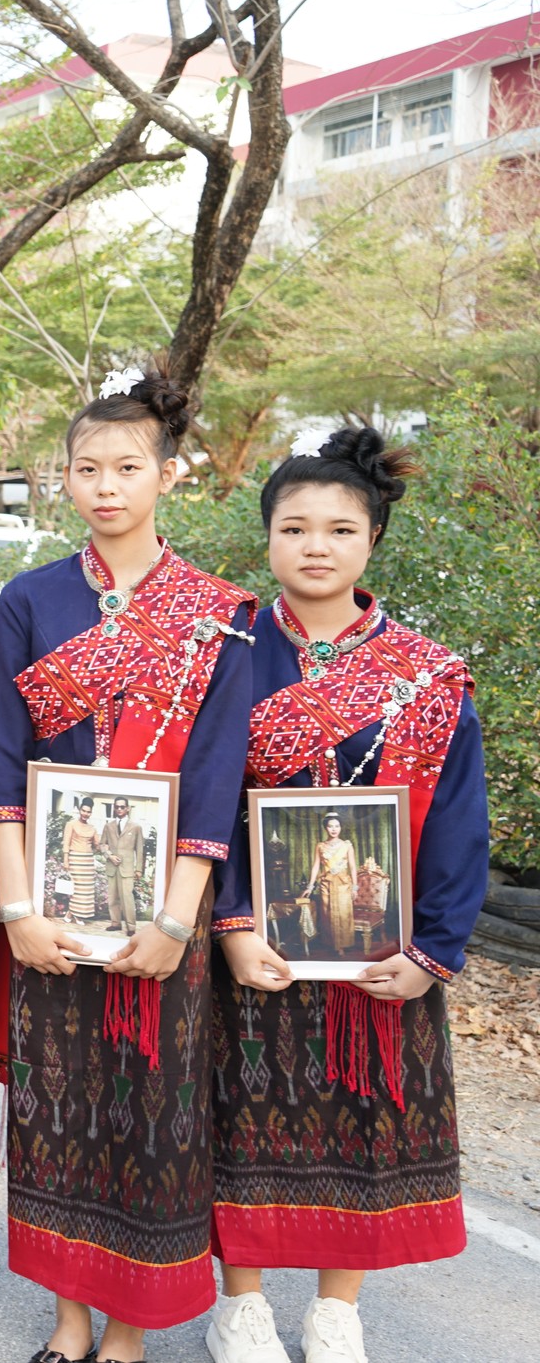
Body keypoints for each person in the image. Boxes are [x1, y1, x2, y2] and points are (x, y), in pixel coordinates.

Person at [0, 369, 255, 1363]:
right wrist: (15, 907)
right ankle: (66, 1321)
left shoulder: (219, 615)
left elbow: (216, 777)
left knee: (148, 1116)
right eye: (87, 468)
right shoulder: (29, 600)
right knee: (55, 1110)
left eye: (127, 467)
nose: (106, 486)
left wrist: (175, 921)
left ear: (167, 474)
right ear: (64, 478)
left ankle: (127, 1331)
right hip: (47, 907)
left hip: (162, 913)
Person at [204, 428, 487, 1363]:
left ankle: (337, 1308)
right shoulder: (227, 654)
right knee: (239, 1117)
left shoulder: (428, 673)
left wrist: (431, 948)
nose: (315, 546)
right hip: (253, 942)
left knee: (362, 1118)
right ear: (267, 537)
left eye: (339, 528)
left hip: (378, 945)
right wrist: (232, 922)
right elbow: (206, 802)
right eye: (294, 527)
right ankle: (241, 1303)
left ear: (373, 540)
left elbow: (458, 820)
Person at [305, 813, 362, 954]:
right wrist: (310, 886)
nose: (334, 829)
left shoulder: (347, 845)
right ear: (326, 828)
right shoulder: (320, 846)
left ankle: (343, 944)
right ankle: (331, 943)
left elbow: (353, 867)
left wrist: (355, 888)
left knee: (343, 914)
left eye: (337, 826)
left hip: (343, 884)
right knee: (327, 914)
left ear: (341, 827)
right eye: (330, 826)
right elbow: (316, 866)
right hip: (327, 884)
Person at [102, 797, 146, 935]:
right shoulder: (108, 826)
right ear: (114, 808)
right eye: (117, 807)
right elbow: (102, 845)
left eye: (122, 807)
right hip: (112, 868)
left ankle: (131, 927)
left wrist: (138, 869)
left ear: (127, 808)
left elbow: (139, 849)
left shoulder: (136, 827)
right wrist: (109, 855)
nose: (119, 809)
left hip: (126, 869)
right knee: (112, 897)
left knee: (127, 898)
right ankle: (115, 923)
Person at [61, 797, 102, 925]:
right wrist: (66, 860)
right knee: (77, 888)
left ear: (91, 813)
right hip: (75, 859)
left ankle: (76, 915)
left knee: (86, 890)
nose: (85, 814)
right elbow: (66, 843)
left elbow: (97, 845)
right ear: (80, 810)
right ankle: (72, 914)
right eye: (83, 811)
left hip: (87, 861)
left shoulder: (92, 828)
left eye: (88, 812)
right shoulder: (71, 824)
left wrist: (102, 843)